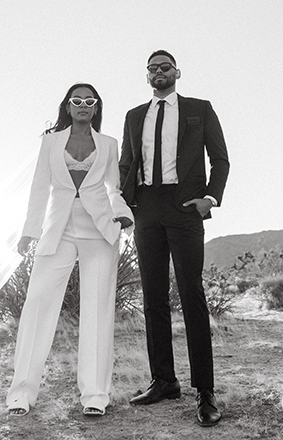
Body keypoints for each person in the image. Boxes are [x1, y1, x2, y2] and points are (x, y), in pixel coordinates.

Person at [6, 83, 134, 418]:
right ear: (68, 105)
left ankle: (95, 395)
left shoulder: (108, 145)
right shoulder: (50, 143)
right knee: (37, 305)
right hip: (58, 229)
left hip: (100, 230)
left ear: (95, 108)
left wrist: (123, 215)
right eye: (77, 100)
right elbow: (38, 188)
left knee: (97, 311)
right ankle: (21, 393)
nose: (83, 105)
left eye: (89, 101)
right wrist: (28, 232)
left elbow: (112, 188)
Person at [119, 50, 230, 427]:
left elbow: (221, 159)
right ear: (147, 76)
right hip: (147, 207)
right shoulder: (135, 116)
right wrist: (127, 205)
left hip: (185, 207)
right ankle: (164, 380)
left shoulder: (200, 108)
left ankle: (205, 391)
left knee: (191, 295)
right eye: (151, 69)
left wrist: (209, 198)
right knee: (153, 298)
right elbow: (126, 163)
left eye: (164, 67)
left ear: (177, 72)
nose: (158, 73)